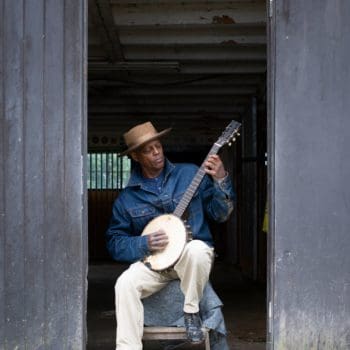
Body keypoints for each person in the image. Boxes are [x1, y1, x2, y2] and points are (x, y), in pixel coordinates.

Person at [106, 121, 235, 350]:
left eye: (158, 146)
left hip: (190, 260)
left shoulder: (189, 174)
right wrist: (143, 243)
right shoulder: (127, 199)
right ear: (135, 157)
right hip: (155, 265)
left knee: (197, 249)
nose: (157, 153)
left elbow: (220, 214)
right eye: (148, 150)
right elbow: (115, 243)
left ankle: (191, 312)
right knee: (124, 283)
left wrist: (220, 179)